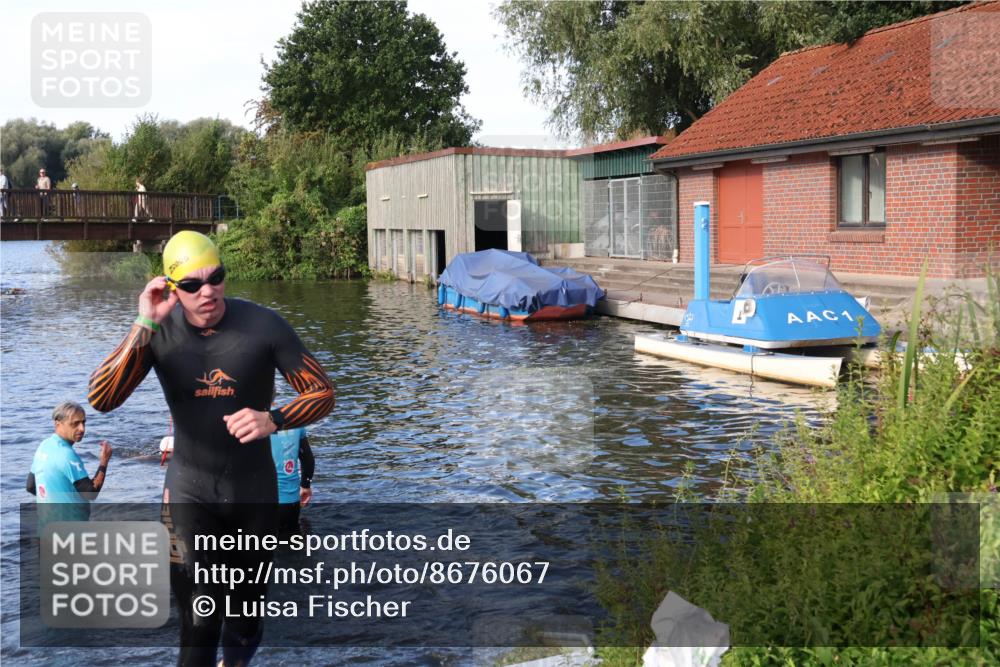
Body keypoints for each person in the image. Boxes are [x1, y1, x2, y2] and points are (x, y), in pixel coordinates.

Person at [88, 230, 334, 667]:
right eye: (191, 285)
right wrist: (144, 322)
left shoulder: (263, 325)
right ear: (170, 286)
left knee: (245, 620)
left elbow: (322, 393)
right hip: (186, 494)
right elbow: (102, 399)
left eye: (215, 277)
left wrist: (273, 419)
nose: (207, 291)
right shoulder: (158, 333)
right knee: (198, 622)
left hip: (254, 495)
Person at [26, 401, 113, 523]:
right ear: (58, 424)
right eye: (75, 424)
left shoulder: (44, 446)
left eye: (83, 422)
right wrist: (104, 461)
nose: (82, 429)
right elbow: (91, 493)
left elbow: (30, 486)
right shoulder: (66, 454)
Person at [268, 390, 314, 537]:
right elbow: (307, 459)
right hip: (291, 501)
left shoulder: (248, 423)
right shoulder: (293, 419)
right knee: (292, 544)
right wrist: (305, 486)